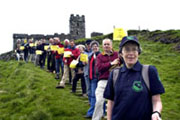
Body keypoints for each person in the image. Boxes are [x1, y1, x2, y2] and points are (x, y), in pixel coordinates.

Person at [104, 36, 165, 120]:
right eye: (127, 49)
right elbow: (111, 102)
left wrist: (156, 112)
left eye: (134, 49)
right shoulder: (114, 74)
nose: (131, 53)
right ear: (121, 53)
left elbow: (156, 100)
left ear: (138, 52)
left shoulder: (149, 71)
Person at [92, 38, 119, 120]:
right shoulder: (100, 56)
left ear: (111, 45)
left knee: (117, 101)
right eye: (105, 44)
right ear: (102, 46)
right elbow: (99, 68)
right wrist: (111, 63)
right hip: (103, 81)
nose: (106, 46)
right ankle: (96, 118)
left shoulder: (117, 54)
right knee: (99, 101)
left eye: (108, 44)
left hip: (116, 81)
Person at [85, 40, 100, 119]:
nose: (95, 47)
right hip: (92, 78)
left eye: (96, 46)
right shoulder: (90, 56)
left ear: (98, 47)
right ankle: (100, 111)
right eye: (93, 46)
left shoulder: (100, 55)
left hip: (98, 78)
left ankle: (90, 113)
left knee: (95, 96)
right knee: (93, 95)